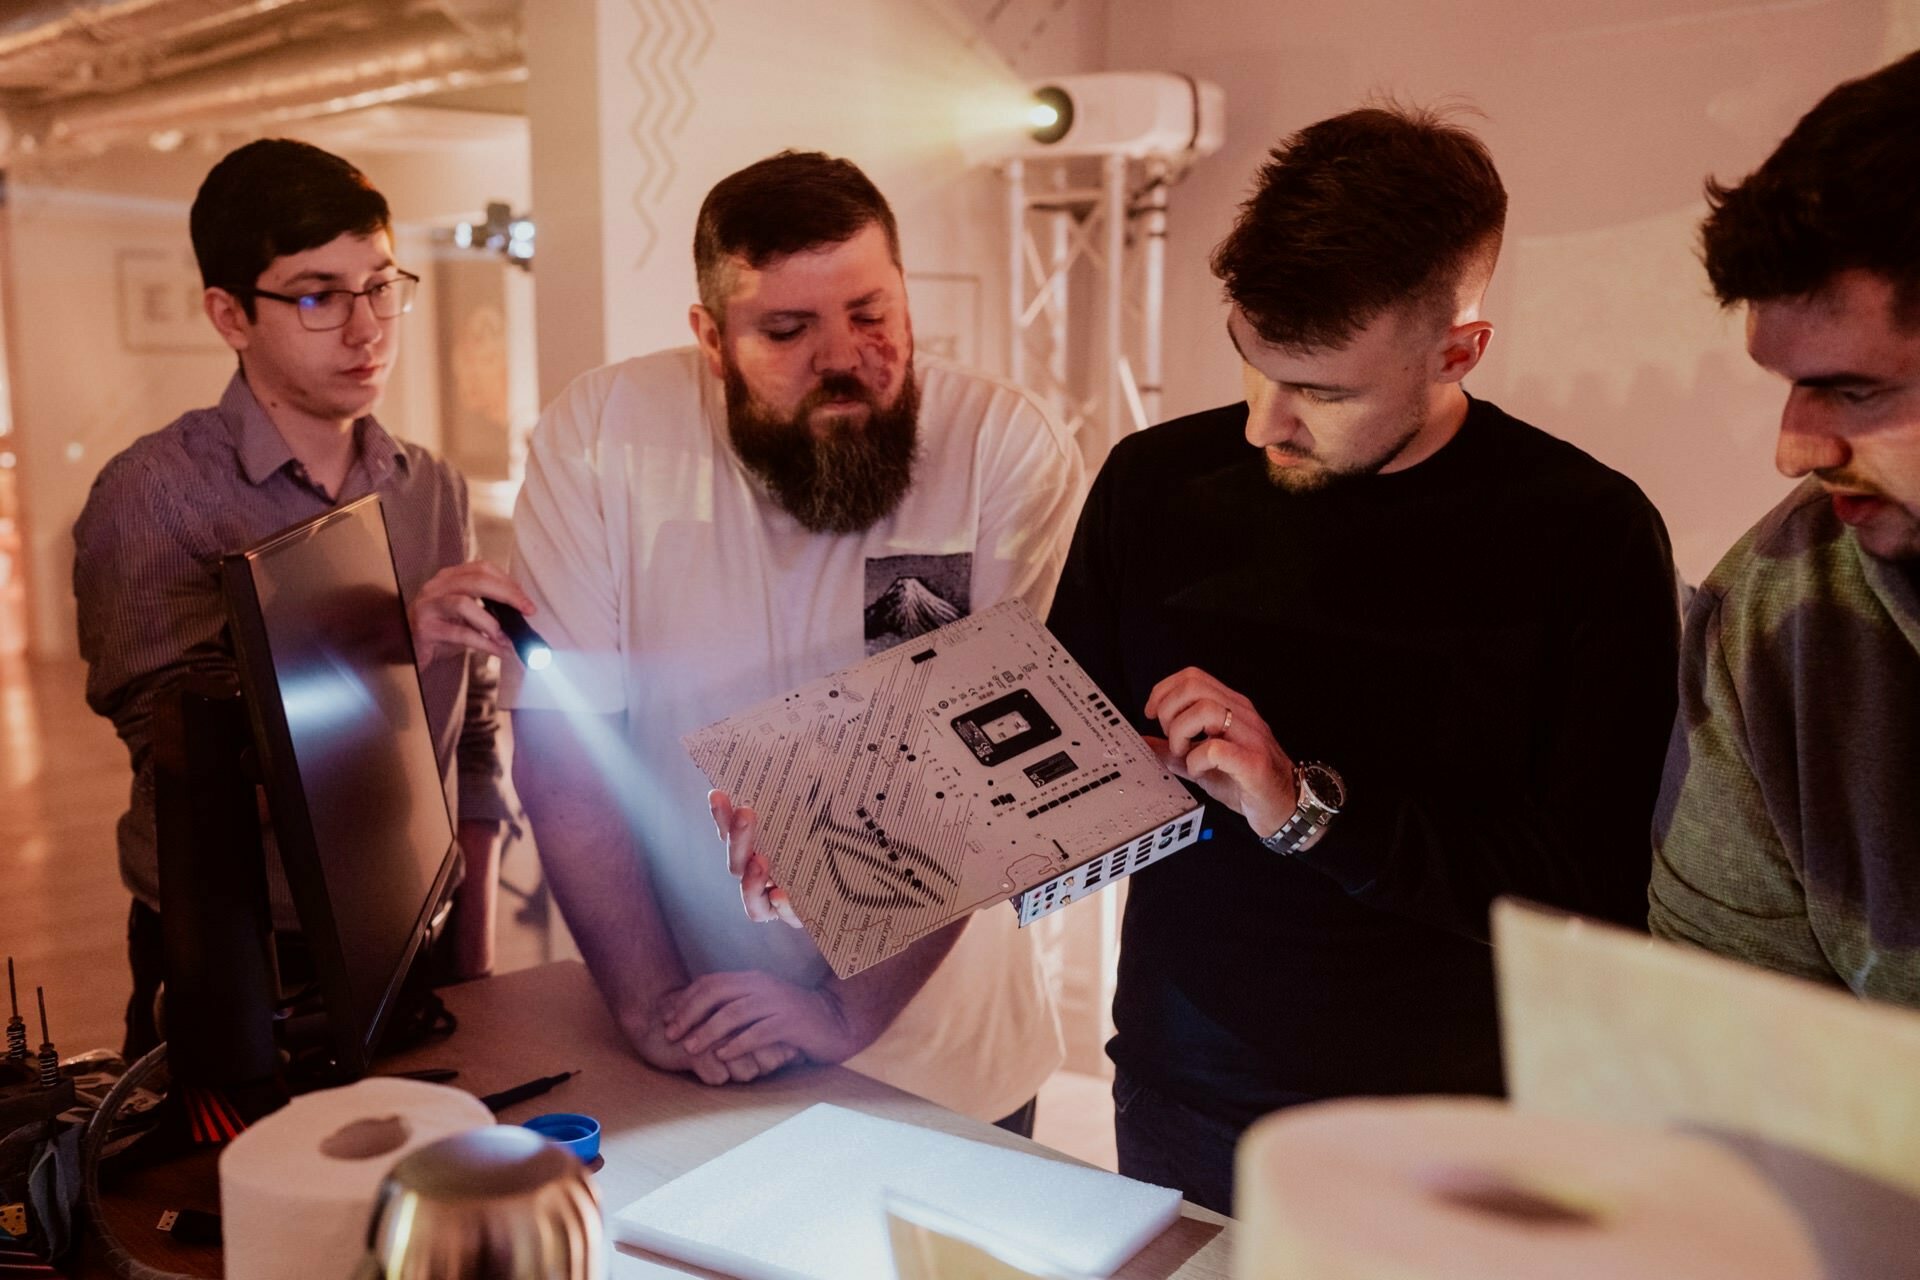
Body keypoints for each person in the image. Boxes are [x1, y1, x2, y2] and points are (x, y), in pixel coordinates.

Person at [1038, 106, 1681, 1211]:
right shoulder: (1151, 483)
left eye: (1324, 393)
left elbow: (1587, 887)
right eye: (1252, 363)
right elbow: (1039, 763)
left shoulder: (1587, 534)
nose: (1265, 426)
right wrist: (844, 838)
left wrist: (1303, 808)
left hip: (1444, 1133)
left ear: (1459, 348)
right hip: (1179, 1092)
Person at [505, 151, 1075, 1128]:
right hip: (698, 1033)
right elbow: (568, 757)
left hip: (951, 1061)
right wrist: (649, 1010)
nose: (844, 356)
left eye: (871, 314)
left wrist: (839, 1011)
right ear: (712, 338)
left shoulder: (1001, 446)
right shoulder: (603, 435)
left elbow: (992, 769)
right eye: (787, 329)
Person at [73, 139, 529, 1058]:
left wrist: (471, 962)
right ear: (230, 314)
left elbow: (471, 742)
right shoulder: (158, 495)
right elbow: (204, 800)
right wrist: (386, 655)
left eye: (380, 285)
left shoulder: (427, 487)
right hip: (245, 957)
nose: (368, 330)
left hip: (423, 936)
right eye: (319, 296)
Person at [1650, 51, 1920, 1009]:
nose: (1795, 448)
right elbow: (1721, 1039)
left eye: (1857, 389)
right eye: (1791, 387)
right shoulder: (1770, 609)